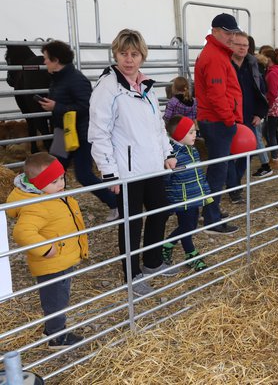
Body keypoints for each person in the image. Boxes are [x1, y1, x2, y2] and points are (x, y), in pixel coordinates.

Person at [88, 29, 179, 297]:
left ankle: (152, 262)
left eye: (134, 54)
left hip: (152, 165)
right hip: (126, 171)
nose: (129, 59)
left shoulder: (147, 86)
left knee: (160, 211)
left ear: (142, 56)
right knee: (132, 222)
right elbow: (99, 133)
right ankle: (132, 273)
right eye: (123, 53)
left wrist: (168, 153)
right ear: (115, 54)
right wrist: (109, 173)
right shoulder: (108, 88)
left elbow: (157, 126)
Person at [6, 153, 87, 349]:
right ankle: (55, 336)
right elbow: (22, 232)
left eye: (62, 178)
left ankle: (55, 328)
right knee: (56, 300)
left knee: (61, 295)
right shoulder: (36, 205)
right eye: (54, 181)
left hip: (62, 258)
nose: (61, 184)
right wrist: (45, 249)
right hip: (51, 263)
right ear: (37, 184)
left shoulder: (49, 194)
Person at [37, 40, 119, 221]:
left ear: (56, 60)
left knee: (84, 175)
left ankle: (115, 202)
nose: (44, 62)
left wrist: (56, 106)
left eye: (46, 59)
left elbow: (86, 106)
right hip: (62, 133)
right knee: (52, 172)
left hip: (80, 135)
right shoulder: (57, 79)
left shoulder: (76, 79)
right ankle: (51, 211)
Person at [194, 13, 242, 233]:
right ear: (214, 31)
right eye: (226, 32)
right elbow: (216, 94)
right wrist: (230, 119)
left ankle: (208, 210)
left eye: (233, 32)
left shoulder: (217, 53)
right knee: (218, 170)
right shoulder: (213, 56)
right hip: (217, 120)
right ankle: (211, 219)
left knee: (216, 168)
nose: (231, 37)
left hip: (215, 119)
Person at [162, 116, 210, 272]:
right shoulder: (172, 155)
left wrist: (203, 191)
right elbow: (166, 178)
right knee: (187, 226)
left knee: (191, 225)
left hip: (194, 194)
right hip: (181, 198)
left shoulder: (192, 149)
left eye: (194, 131)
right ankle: (191, 255)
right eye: (190, 132)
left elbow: (197, 173)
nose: (195, 135)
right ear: (178, 135)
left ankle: (168, 244)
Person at [227, 32, 271, 199]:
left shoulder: (252, 65)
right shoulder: (225, 64)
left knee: (250, 149)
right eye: (239, 45)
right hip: (229, 117)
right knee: (229, 153)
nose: (242, 48)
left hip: (248, 116)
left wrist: (260, 113)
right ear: (231, 45)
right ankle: (233, 188)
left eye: (245, 45)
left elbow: (261, 90)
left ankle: (235, 181)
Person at [262, 48, 278, 165]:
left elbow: (272, 92)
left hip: (272, 105)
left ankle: (275, 157)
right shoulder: (275, 71)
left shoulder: (272, 73)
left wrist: (267, 104)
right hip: (276, 104)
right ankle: (275, 155)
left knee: (270, 132)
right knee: (268, 131)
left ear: (269, 59)